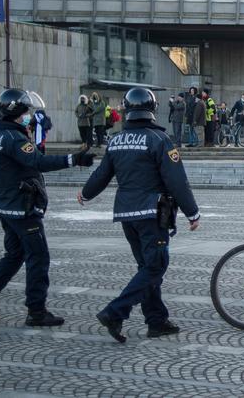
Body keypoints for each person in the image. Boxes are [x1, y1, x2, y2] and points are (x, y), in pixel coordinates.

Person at [79, 88, 201, 343]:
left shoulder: (116, 140)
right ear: (152, 109)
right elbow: (177, 180)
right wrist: (192, 211)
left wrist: (86, 193)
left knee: (147, 267)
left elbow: (102, 174)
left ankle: (156, 321)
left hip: (126, 213)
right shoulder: (159, 139)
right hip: (151, 213)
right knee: (155, 267)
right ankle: (115, 312)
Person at [0, 88, 95, 327]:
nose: (28, 115)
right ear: (16, 113)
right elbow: (39, 162)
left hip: (5, 207)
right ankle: (36, 311)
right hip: (22, 207)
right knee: (38, 257)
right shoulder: (15, 138)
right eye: (25, 112)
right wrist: (74, 159)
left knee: (14, 255)